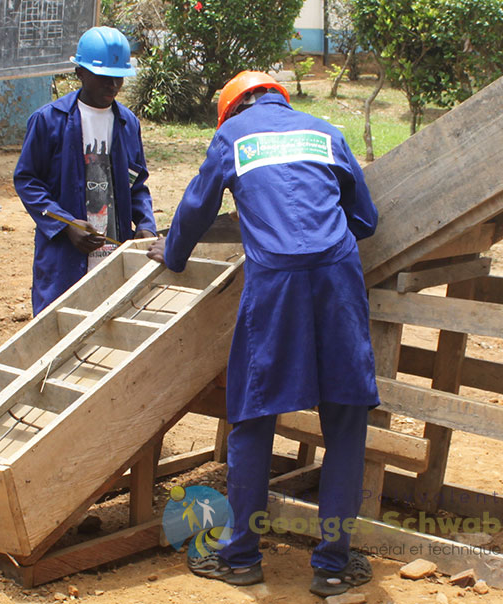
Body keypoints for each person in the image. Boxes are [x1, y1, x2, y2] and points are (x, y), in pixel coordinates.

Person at [147, 71, 379, 597]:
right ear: (282, 100)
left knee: (253, 417)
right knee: (345, 422)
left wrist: (173, 253)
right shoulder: (326, 132)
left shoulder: (232, 137)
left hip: (275, 285)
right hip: (339, 281)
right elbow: (365, 219)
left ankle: (241, 560)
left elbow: (197, 207)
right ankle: (334, 567)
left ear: (230, 110)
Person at [15, 26, 157, 315]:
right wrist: (66, 225)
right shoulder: (49, 121)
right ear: (80, 72)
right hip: (64, 260)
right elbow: (28, 181)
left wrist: (145, 224)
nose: (113, 85)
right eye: (104, 76)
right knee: (59, 324)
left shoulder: (127, 124)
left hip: (114, 255)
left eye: (118, 77)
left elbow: (137, 184)